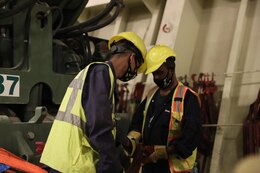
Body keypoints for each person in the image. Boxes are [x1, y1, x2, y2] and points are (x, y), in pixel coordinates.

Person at [40, 31, 147, 173]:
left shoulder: (96, 72)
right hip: (73, 164)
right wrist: (111, 166)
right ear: (132, 58)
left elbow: (104, 121)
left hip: (61, 160)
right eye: (136, 67)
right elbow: (99, 125)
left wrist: (126, 142)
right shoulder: (102, 73)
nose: (133, 73)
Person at [123, 45, 202, 173]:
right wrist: (131, 141)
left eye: (160, 73)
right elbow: (137, 123)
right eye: (154, 74)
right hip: (149, 166)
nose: (157, 78)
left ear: (171, 68)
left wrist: (164, 151)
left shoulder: (187, 98)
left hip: (173, 169)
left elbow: (191, 136)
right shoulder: (151, 95)